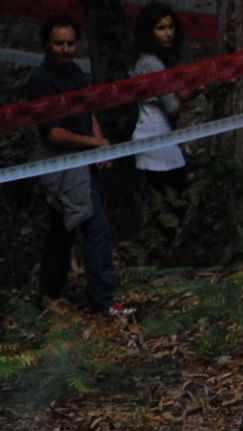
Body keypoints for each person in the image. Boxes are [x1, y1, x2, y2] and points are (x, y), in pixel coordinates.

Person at [25, 14, 134, 317]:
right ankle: (103, 300)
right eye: (59, 44)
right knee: (96, 228)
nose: (65, 50)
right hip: (62, 165)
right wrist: (93, 144)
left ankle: (50, 293)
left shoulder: (76, 73)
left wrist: (98, 144)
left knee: (62, 230)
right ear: (46, 44)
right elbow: (52, 133)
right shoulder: (41, 82)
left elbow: (89, 112)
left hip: (83, 161)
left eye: (70, 44)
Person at [130, 1, 195, 252]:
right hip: (156, 137)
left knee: (168, 200)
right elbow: (172, 106)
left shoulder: (148, 59)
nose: (168, 33)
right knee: (172, 201)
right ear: (149, 31)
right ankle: (165, 254)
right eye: (160, 28)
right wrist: (195, 89)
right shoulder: (152, 64)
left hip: (157, 135)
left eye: (170, 27)